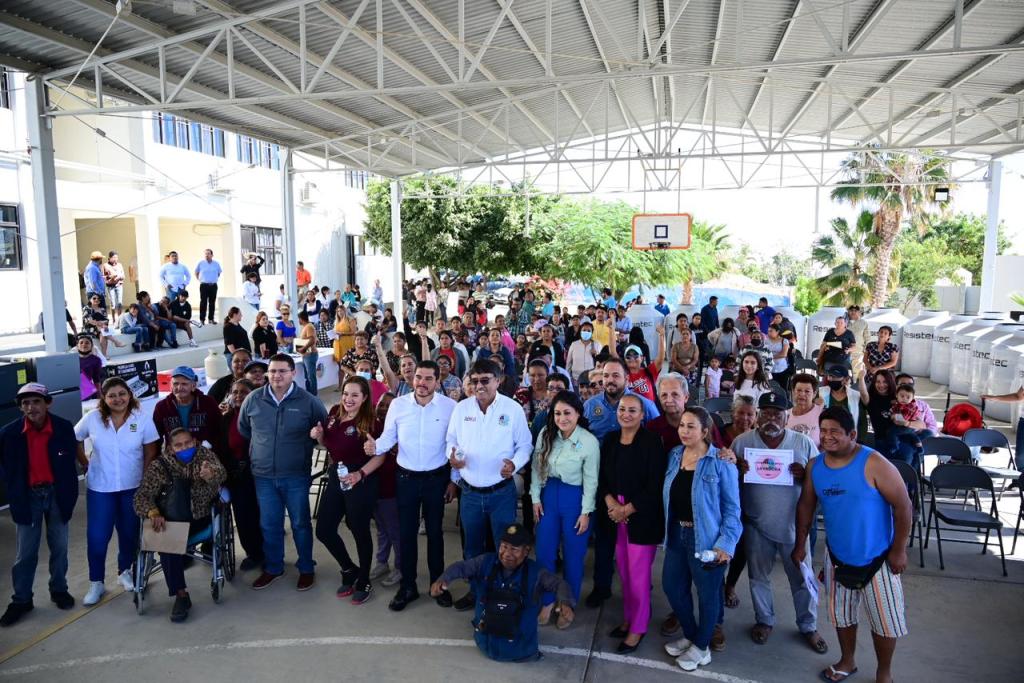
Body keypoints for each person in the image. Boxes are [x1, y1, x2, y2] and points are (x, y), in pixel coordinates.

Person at [793, 407, 911, 683]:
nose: (827, 437)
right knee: (842, 617)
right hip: (836, 557)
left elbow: (904, 506)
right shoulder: (815, 466)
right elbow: (806, 507)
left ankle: (884, 673)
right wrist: (800, 544)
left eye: (835, 431)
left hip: (879, 559)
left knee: (885, 622)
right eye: (823, 431)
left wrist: (899, 550)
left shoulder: (875, 463)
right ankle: (847, 661)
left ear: (853, 434)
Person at [732, 393, 826, 653]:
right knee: (758, 577)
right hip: (756, 525)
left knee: (801, 579)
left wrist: (806, 475)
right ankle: (765, 619)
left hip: (794, 527)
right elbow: (728, 485)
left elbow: (820, 483)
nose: (771, 419)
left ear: (787, 417)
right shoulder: (742, 443)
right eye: (766, 413)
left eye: (777, 414)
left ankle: (808, 625)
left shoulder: (804, 443)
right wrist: (735, 471)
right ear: (758, 415)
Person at [366, 360, 458, 611]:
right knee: (406, 535)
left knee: (435, 535)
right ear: (412, 379)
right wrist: (376, 446)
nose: (422, 383)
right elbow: (388, 437)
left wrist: (454, 480)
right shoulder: (398, 404)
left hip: (436, 479)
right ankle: (408, 587)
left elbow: (455, 444)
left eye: (429, 378)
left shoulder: (451, 407)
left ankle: (439, 585)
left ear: (438, 381)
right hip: (405, 479)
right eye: (419, 377)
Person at [446, 359, 533, 611]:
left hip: (501, 493)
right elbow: (451, 439)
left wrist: (514, 464)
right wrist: (451, 456)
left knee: (504, 547)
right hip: (470, 493)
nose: (479, 386)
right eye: (474, 381)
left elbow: (525, 445)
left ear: (499, 380)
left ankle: (502, 593)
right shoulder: (461, 409)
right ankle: (476, 592)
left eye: (485, 380)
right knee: (472, 547)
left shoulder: (513, 409)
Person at [238, 354, 328, 591]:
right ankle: (273, 567)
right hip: (263, 476)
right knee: (269, 524)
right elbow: (244, 429)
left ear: (293, 373)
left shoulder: (309, 402)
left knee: (300, 523)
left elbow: (325, 432)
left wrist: (317, 437)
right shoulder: (254, 399)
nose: (276, 376)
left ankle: (306, 568)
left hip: (296, 475)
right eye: (273, 371)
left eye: (282, 371)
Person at [661, 406, 741, 672]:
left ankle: (702, 647)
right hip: (676, 533)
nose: (684, 431)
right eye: (682, 425)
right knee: (672, 587)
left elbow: (732, 509)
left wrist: (725, 544)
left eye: (691, 426)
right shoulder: (674, 455)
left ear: (705, 431)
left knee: (708, 596)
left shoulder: (721, 461)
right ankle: (693, 635)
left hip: (706, 538)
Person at [429, 523, 575, 662]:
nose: (507, 553)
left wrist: (565, 603)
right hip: (485, 644)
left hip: (520, 651)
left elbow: (559, 584)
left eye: (514, 549)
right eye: (504, 546)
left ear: (526, 551)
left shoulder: (536, 572)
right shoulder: (485, 561)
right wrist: (443, 579)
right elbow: (461, 567)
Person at [0, 383, 81, 627]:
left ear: (48, 403)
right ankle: (22, 599)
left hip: (57, 495)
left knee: (59, 547)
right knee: (25, 553)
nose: (30, 407)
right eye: (25, 403)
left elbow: (69, 465)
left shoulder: (63, 428)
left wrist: (69, 495)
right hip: (27, 497)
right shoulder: (9, 434)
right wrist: (14, 493)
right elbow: (5, 468)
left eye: (36, 401)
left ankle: (59, 589)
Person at [74, 377, 160, 605]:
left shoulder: (141, 419)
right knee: (98, 536)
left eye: (122, 394)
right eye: (112, 395)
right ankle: (96, 583)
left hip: (132, 487)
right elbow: (75, 438)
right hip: (101, 488)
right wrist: (85, 462)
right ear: (104, 398)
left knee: (129, 533)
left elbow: (151, 451)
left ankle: (125, 572)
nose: (118, 399)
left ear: (129, 394)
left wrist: (144, 480)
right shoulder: (92, 418)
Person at [582, 357, 660, 608]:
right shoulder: (590, 405)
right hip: (603, 481)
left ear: (627, 379)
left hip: (636, 485)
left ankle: (641, 586)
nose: (610, 380)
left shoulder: (646, 406)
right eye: (606, 376)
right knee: (604, 540)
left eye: (616, 375)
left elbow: (656, 439)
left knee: (637, 543)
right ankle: (602, 586)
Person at [133, 428, 225, 623]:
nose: (184, 448)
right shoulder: (159, 466)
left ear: (195, 442)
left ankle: (180, 593)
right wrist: (153, 512)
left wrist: (210, 475)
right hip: (170, 520)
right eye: (178, 445)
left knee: (168, 538)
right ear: (170, 448)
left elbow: (221, 475)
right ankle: (181, 595)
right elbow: (142, 496)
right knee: (166, 539)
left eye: (188, 443)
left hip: (199, 518)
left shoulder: (205, 456)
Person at [598, 394, 666, 653]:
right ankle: (630, 618)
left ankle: (638, 627)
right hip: (615, 515)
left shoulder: (651, 443)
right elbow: (603, 477)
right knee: (625, 573)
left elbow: (654, 484)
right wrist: (611, 504)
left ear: (642, 414)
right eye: (623, 409)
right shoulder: (611, 440)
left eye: (633, 410)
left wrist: (627, 508)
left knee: (638, 577)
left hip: (641, 517)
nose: (626, 414)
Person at [312, 376, 385, 604]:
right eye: (346, 394)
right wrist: (320, 436)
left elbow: (380, 456)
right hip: (337, 474)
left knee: (359, 529)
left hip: (360, 478)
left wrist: (360, 473)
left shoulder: (372, 421)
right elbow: (330, 446)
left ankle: (364, 578)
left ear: (364, 398)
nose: (348, 399)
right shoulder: (334, 412)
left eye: (355, 395)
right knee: (324, 529)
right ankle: (348, 568)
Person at [530, 391, 598, 629]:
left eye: (567, 413)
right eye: (557, 413)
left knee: (573, 556)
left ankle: (567, 603)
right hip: (549, 495)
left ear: (578, 413)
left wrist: (585, 512)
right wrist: (535, 498)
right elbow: (537, 468)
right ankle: (547, 601)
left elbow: (591, 480)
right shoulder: (546, 435)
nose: (562, 418)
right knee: (545, 552)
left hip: (575, 499)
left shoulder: (589, 441)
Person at [217, 378, 264, 571]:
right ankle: (254, 553)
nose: (238, 396)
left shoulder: (259, 415)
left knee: (261, 516)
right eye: (235, 392)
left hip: (257, 472)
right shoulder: (226, 416)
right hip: (235, 473)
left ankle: (267, 553)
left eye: (243, 392)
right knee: (243, 517)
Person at [369, 393, 402, 587]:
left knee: (394, 530)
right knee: (381, 529)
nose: (384, 408)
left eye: (389, 406)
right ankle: (382, 563)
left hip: (391, 487)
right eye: (382, 404)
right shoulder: (371, 426)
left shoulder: (397, 428)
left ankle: (400, 567)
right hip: (374, 486)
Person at [152, 366, 221, 448]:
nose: (179, 388)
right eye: (175, 384)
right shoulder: (162, 407)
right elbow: (155, 438)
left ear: (193, 386)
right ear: (171, 386)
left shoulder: (208, 403)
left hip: (204, 454)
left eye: (184, 384)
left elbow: (219, 430)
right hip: (174, 456)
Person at [787, 373, 823, 447]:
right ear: (793, 392)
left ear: (814, 394)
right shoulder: (785, 415)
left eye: (807, 391)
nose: (802, 394)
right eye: (799, 390)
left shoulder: (821, 413)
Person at [669, 324, 700, 394]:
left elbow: (695, 360)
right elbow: (674, 359)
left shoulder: (694, 346)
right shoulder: (676, 346)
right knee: (676, 387)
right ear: (681, 335)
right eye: (683, 334)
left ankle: (689, 398)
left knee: (689, 388)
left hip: (690, 370)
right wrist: (682, 369)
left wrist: (687, 367)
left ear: (690, 336)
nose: (685, 335)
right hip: (677, 369)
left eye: (687, 334)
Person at [195, 248, 222, 325]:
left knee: (212, 303)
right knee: (203, 302)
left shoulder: (216, 263)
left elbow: (219, 273)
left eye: (208, 254)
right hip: (204, 285)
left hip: (213, 286)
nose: (207, 255)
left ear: (212, 255)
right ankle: (202, 319)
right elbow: (196, 272)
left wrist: (212, 279)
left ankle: (211, 319)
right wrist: (201, 280)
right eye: (205, 254)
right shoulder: (201, 263)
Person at [296, 311, 319, 395]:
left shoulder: (309, 327)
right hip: (306, 355)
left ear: (301, 319)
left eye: (299, 319)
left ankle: (313, 396)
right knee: (307, 377)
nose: (298, 321)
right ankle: (309, 394)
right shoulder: (306, 327)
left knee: (311, 377)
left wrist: (303, 348)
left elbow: (312, 339)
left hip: (310, 355)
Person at [76, 334, 104, 400]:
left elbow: (96, 379)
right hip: (73, 389)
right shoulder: (72, 359)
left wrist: (99, 396)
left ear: (91, 346)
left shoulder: (96, 360)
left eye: (87, 343)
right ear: (77, 346)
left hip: (86, 390)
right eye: (81, 343)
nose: (84, 344)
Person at [765, 324, 792, 389]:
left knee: (782, 388)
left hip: (781, 368)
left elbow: (784, 354)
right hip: (768, 368)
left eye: (771, 331)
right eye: (768, 331)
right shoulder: (765, 340)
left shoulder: (784, 341)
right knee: (769, 388)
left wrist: (769, 356)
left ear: (777, 332)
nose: (769, 333)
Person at [846, 306, 870, 378]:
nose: (853, 312)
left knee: (857, 375)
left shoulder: (864, 323)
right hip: (845, 352)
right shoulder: (844, 322)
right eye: (851, 310)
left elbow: (867, 339)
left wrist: (865, 352)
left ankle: (856, 388)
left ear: (859, 312)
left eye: (856, 310)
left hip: (858, 353)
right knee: (844, 374)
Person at [103, 251, 126, 322]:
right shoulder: (105, 265)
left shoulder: (119, 265)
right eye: (114, 257)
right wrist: (111, 277)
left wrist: (118, 277)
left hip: (119, 285)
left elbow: (123, 275)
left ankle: (119, 320)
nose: (116, 259)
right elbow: (103, 277)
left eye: (116, 257)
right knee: (113, 304)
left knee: (120, 303)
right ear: (109, 258)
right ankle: (113, 320)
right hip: (110, 286)